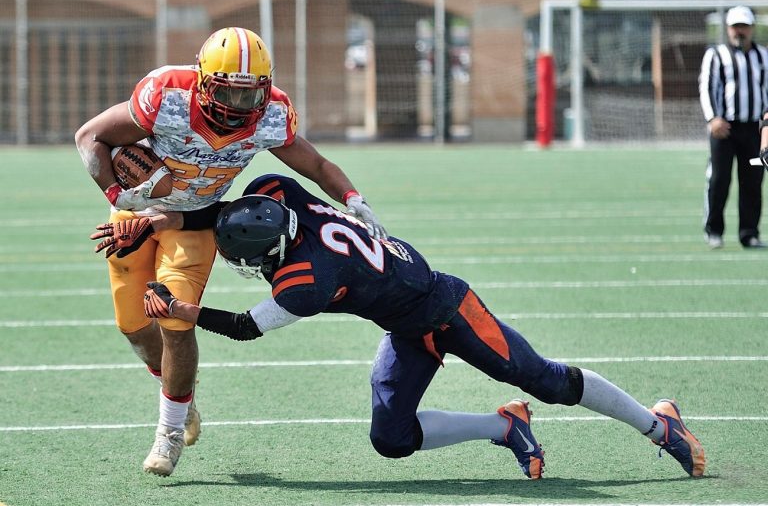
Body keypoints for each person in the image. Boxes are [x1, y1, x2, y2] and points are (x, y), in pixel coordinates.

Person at [94, 173, 706, 479]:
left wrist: (182, 312)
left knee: (545, 378)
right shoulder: (276, 193)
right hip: (404, 324)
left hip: (449, 310)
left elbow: (248, 327)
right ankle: (503, 427)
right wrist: (154, 218)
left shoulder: (302, 281)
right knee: (391, 439)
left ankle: (659, 424)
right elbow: (217, 210)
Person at [75, 27, 386, 477]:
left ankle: (169, 431)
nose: (239, 107)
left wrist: (353, 197)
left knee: (176, 321)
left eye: (249, 96)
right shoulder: (166, 95)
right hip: (137, 214)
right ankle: (179, 391)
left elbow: (315, 164)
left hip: (194, 221)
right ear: (203, 81)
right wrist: (117, 194)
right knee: (134, 326)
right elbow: (90, 137)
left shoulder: (272, 115)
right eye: (228, 93)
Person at [699, 5, 768, 250]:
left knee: (752, 182)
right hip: (724, 129)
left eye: (744, 26)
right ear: (728, 28)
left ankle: (749, 233)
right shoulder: (716, 55)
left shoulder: (763, 56)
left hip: (754, 130)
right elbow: (707, 88)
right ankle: (713, 230)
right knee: (719, 180)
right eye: (735, 26)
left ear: (752, 28)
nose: (740, 31)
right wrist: (712, 119)